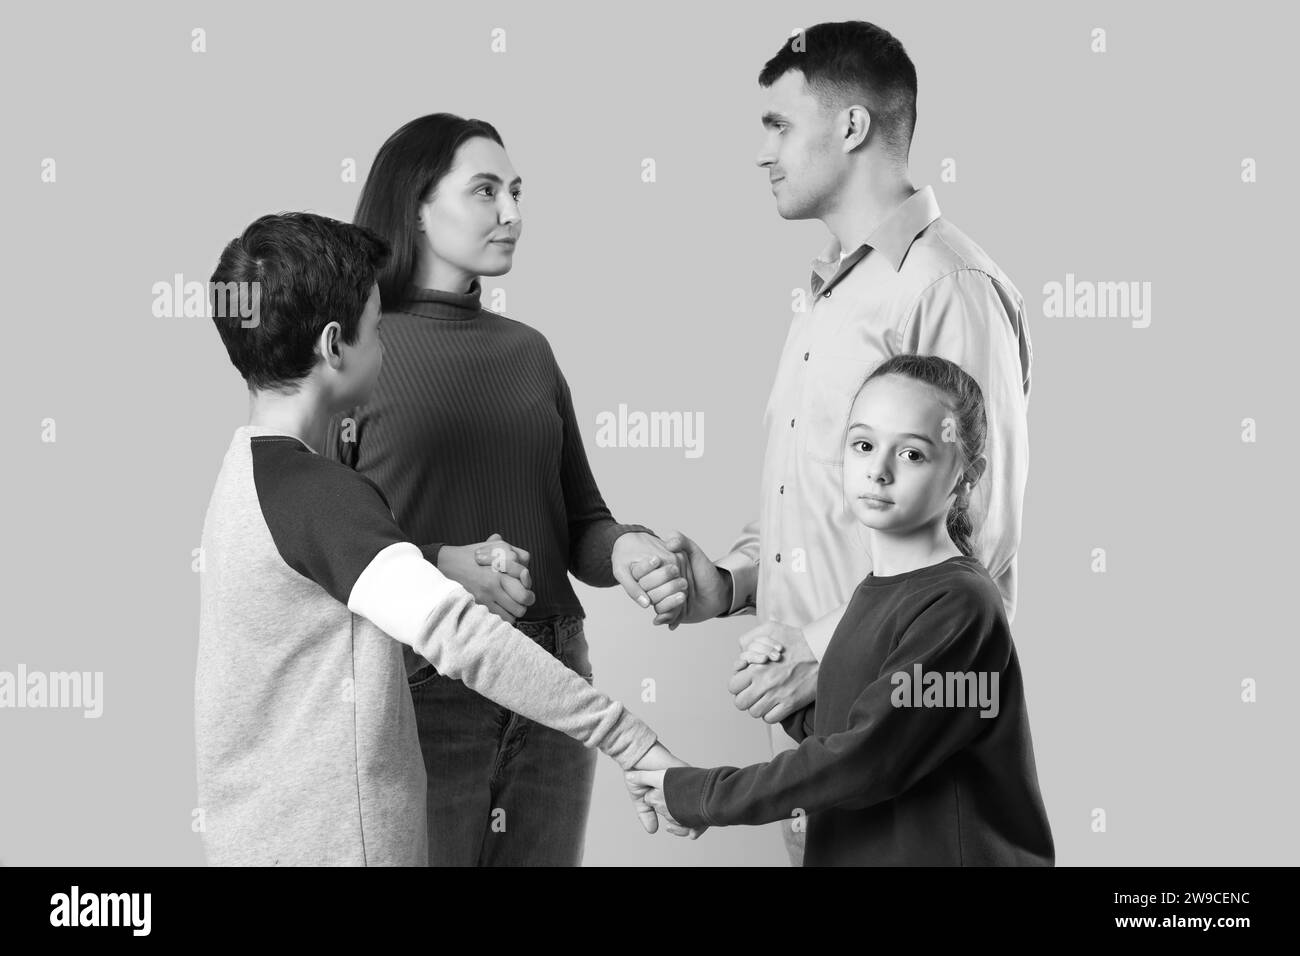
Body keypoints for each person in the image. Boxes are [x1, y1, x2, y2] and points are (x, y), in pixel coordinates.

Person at [629, 20, 1034, 865]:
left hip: (894, 720)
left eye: (778, 124)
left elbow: (978, 529)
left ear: (851, 127)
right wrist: (731, 582)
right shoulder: (828, 296)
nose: (762, 151)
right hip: (813, 723)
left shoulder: (947, 286)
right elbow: (812, 495)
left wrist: (823, 655)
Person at [196, 211, 683, 866]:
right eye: (375, 330)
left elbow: (345, 593)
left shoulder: (247, 478)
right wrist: (629, 739)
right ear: (334, 346)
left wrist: (443, 563)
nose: (387, 347)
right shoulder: (321, 494)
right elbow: (462, 637)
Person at [323, 114, 686, 866]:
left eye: (516, 192)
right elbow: (319, 550)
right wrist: (440, 566)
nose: (512, 213)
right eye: (485, 191)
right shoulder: (353, 355)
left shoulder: (529, 351)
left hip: (556, 678)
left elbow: (582, 520)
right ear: (415, 206)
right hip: (421, 678)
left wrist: (627, 552)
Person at [626, 355, 1053, 866]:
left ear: (966, 475)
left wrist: (699, 796)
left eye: (913, 454)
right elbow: (855, 731)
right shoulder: (876, 592)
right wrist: (791, 705)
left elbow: (867, 759)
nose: (879, 470)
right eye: (864, 444)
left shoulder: (961, 606)